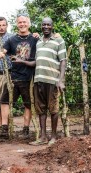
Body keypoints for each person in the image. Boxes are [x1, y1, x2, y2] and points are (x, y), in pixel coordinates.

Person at [0, 14, 38, 139]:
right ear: (17, 24)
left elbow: (48, 39)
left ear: (29, 23)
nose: (22, 24)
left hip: (29, 78)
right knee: (5, 101)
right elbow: (2, 50)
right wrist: (0, 53)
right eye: (20, 22)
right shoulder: (12, 40)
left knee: (28, 104)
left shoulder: (35, 39)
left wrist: (55, 35)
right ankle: (4, 128)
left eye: (24, 22)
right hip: (13, 77)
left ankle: (26, 129)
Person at [30, 17, 67, 146]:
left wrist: (60, 80)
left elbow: (63, 61)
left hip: (52, 80)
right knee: (41, 109)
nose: (46, 27)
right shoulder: (38, 42)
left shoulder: (58, 41)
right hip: (38, 79)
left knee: (53, 109)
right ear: (41, 26)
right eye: (43, 25)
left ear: (52, 26)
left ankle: (54, 137)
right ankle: (43, 137)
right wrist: (21, 61)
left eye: (48, 25)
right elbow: (37, 60)